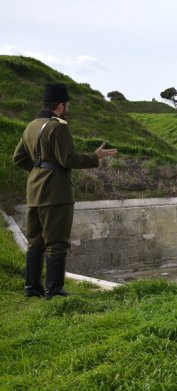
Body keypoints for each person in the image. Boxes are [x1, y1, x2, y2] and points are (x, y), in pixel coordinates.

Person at [13, 83, 117, 299]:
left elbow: (19, 158)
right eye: (67, 105)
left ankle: (32, 289)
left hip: (34, 192)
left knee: (35, 243)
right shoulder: (59, 127)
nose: (67, 108)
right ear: (60, 106)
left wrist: (38, 171)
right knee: (56, 242)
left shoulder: (32, 126)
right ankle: (54, 290)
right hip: (56, 194)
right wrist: (95, 157)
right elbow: (67, 159)